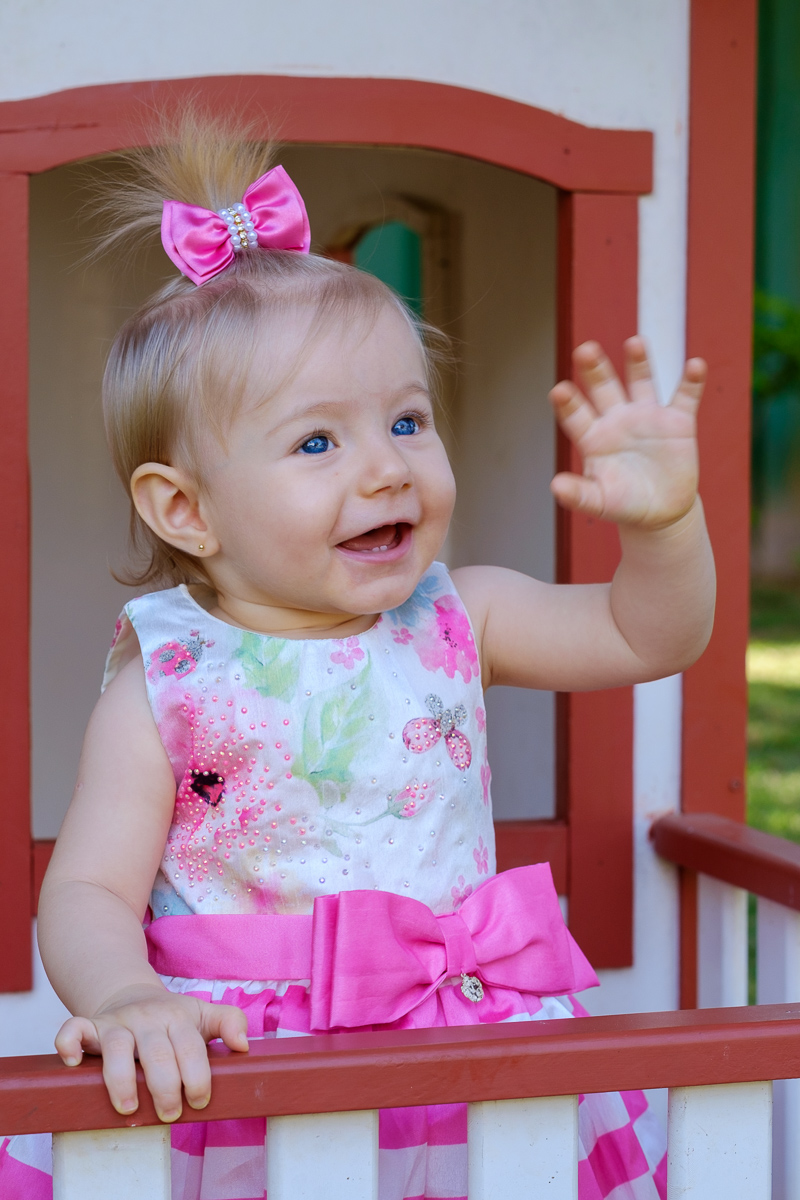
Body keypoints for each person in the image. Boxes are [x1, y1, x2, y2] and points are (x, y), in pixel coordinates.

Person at [0, 115, 714, 1200]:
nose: (386, 469)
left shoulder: (460, 617)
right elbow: (89, 888)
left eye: (408, 422)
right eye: (318, 442)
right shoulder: (170, 685)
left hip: (470, 1054)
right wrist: (125, 997)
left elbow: (647, 634)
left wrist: (664, 527)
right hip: (252, 1079)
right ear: (186, 509)